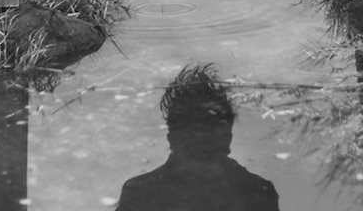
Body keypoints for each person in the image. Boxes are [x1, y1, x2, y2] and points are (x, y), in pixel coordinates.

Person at [114, 63, 279, 210]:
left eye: (207, 131)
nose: (201, 140)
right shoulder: (257, 193)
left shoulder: (139, 193)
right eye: (195, 132)